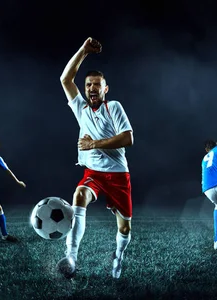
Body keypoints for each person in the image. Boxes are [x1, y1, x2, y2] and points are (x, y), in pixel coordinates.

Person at [56, 37, 134, 279]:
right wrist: (83, 51)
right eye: (89, 84)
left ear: (105, 88)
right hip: (93, 173)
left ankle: (118, 257)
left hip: (118, 174)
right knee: (79, 195)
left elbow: (128, 138)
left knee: (125, 227)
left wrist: (94, 144)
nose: (92, 88)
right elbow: (65, 79)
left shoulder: (115, 108)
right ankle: (71, 257)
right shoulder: (81, 109)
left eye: (97, 84)